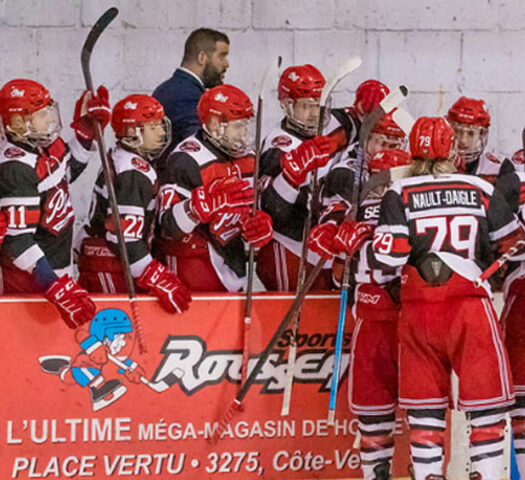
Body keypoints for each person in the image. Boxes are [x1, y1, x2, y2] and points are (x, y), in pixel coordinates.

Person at [339, 116, 522, 480]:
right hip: (470, 307)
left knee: (426, 414)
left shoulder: (398, 194)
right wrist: (490, 263)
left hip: (419, 312)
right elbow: (515, 242)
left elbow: (388, 258)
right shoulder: (478, 188)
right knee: (485, 410)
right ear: (452, 150)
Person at [308, 148, 412, 480]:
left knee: (426, 412)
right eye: (378, 184)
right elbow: (340, 277)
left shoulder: (417, 210)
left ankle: (425, 470)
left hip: (413, 324)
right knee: (373, 411)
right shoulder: (355, 211)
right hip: (372, 321)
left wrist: (367, 248)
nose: (384, 193)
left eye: (391, 183)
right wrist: (341, 247)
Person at [257, 68, 387, 291]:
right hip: (290, 248)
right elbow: (271, 211)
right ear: (288, 105)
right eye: (306, 105)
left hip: (328, 245)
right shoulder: (278, 147)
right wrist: (292, 175)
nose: (315, 113)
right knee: (291, 316)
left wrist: (371, 105)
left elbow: (372, 125)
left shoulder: (337, 121)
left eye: (318, 102)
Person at [0, 79, 109, 329]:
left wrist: (85, 132)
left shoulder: (42, 148)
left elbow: (65, 173)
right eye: (41, 114)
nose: (49, 119)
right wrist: (53, 285)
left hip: (58, 277)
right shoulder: (15, 167)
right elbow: (18, 241)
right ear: (18, 122)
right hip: (30, 285)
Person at [76, 94, 191, 314]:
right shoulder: (132, 171)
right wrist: (155, 276)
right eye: (153, 127)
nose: (161, 132)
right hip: (109, 264)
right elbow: (123, 238)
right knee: (116, 329)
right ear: (132, 132)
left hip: (108, 263)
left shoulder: (126, 159)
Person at [155, 84, 272, 292]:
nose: (243, 134)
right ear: (215, 124)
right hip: (191, 268)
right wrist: (197, 208)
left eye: (246, 125)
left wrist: (258, 227)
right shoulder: (186, 159)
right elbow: (167, 226)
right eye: (238, 127)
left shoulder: (248, 159)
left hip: (233, 266)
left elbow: (251, 213)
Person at [153, 28, 230, 148]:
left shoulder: (168, 87)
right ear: (202, 58)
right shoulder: (186, 95)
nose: (226, 64)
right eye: (221, 57)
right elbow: (200, 146)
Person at [447, 96, 523, 181]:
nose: (463, 140)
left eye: (471, 134)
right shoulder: (436, 166)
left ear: (481, 135)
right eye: (457, 131)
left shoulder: (498, 167)